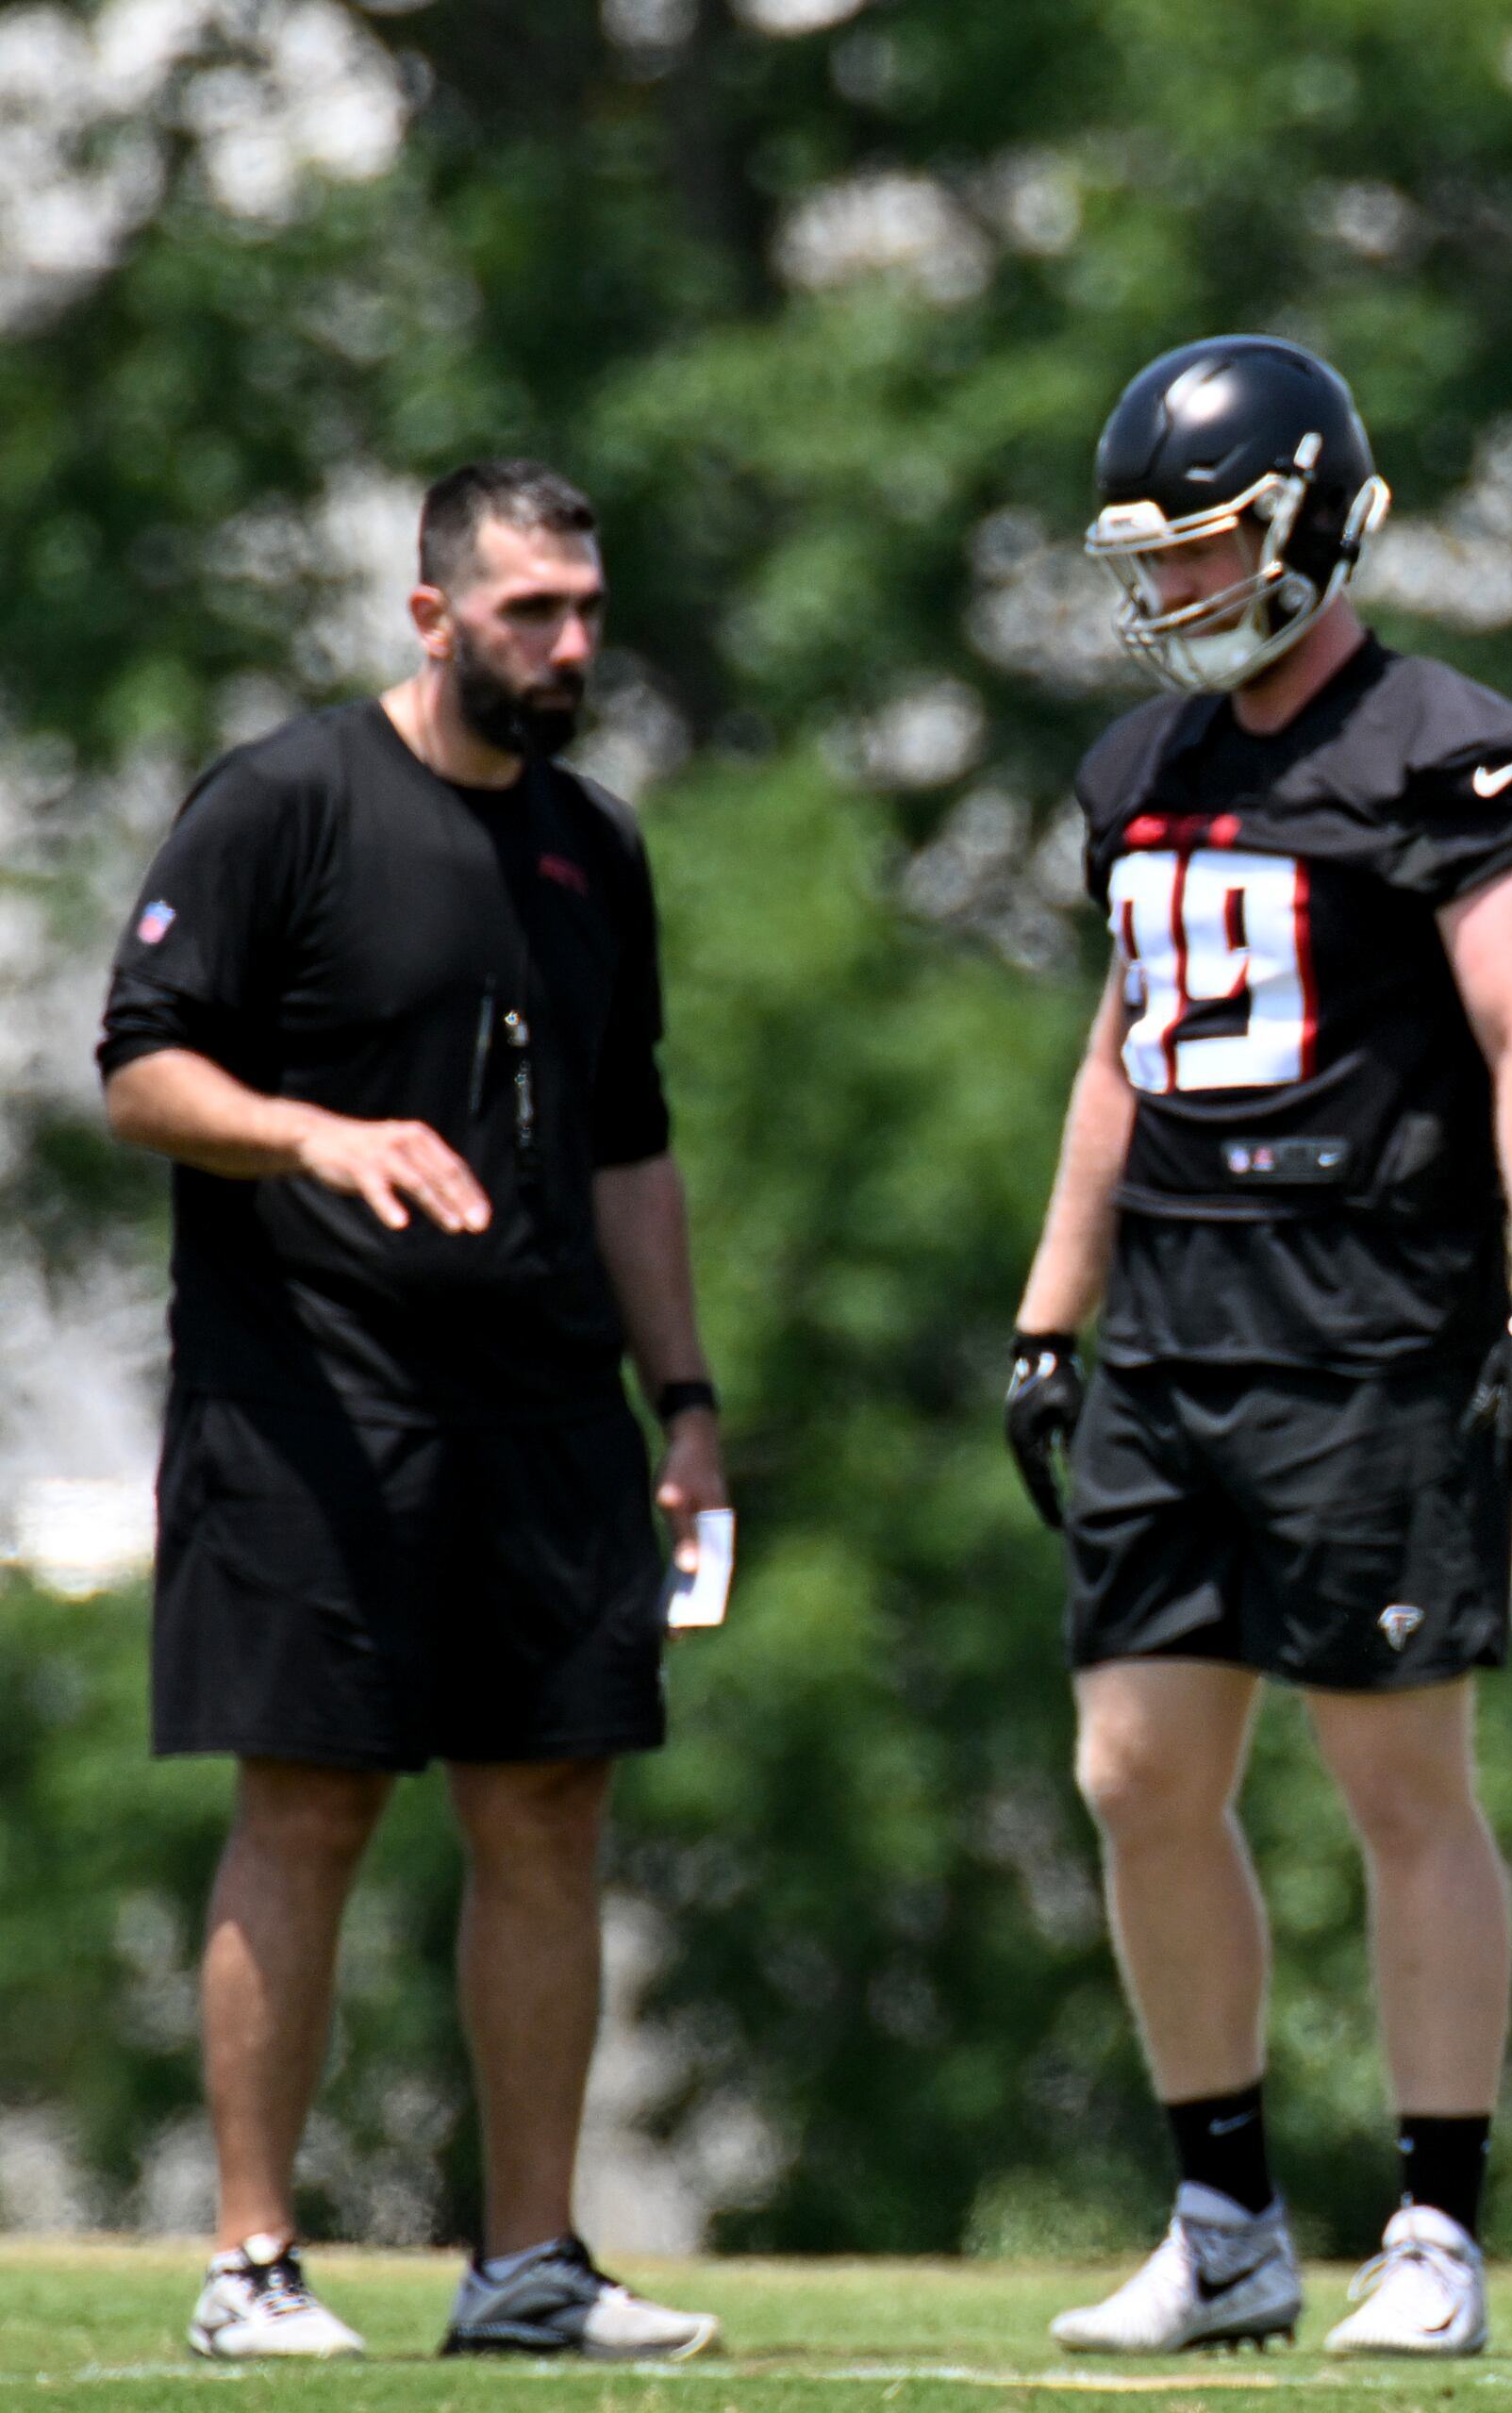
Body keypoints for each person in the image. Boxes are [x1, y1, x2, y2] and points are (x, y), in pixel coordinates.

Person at [1005, 336, 1512, 2360]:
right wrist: (1048, 1311)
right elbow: (1121, 1051)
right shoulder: (1138, 772)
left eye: (1210, 549)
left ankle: (1434, 2223)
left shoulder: (1450, 746)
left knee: (1396, 1775)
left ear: (1322, 523)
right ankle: (1226, 2212)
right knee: (1134, 1768)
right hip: (1176, 1324)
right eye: (1151, 558)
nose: (1174, 590)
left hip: (1371, 1321)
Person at [97, 460, 724, 2364]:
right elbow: (140, 1072)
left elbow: (629, 1148)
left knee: (549, 1806)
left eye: (589, 610)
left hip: (543, 1412)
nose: (571, 645)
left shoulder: (593, 845)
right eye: (533, 612)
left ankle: (528, 2265)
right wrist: (316, 1132)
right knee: (311, 1802)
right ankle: (251, 2265)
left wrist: (685, 1401)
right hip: (311, 1407)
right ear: (431, 615)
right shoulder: (285, 800)